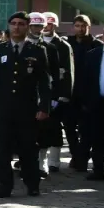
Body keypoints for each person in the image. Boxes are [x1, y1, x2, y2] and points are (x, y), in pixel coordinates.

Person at [0, 12, 50, 199]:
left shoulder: (37, 51)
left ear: (27, 26)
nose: (16, 27)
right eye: (13, 23)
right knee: (3, 148)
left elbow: (44, 82)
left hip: (27, 108)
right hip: (4, 107)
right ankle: (5, 185)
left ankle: (32, 183)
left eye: (21, 24)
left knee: (28, 148)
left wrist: (44, 107)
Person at [71, 25, 104, 182]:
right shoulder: (93, 55)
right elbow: (84, 79)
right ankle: (98, 170)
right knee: (97, 139)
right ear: (102, 37)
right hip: (97, 104)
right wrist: (85, 102)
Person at [38, 11, 73, 175]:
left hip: (56, 92)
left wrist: (64, 95)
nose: (47, 27)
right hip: (38, 92)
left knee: (55, 128)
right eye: (45, 23)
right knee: (39, 129)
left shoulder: (63, 46)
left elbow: (68, 72)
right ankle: (39, 160)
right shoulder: (35, 43)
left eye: (51, 23)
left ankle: (54, 161)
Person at [66, 14, 100, 171]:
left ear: (89, 27)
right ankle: (76, 155)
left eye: (83, 26)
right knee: (69, 127)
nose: (80, 29)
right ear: (73, 27)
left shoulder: (97, 45)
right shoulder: (67, 43)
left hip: (89, 93)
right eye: (78, 26)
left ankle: (83, 158)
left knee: (87, 129)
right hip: (70, 93)